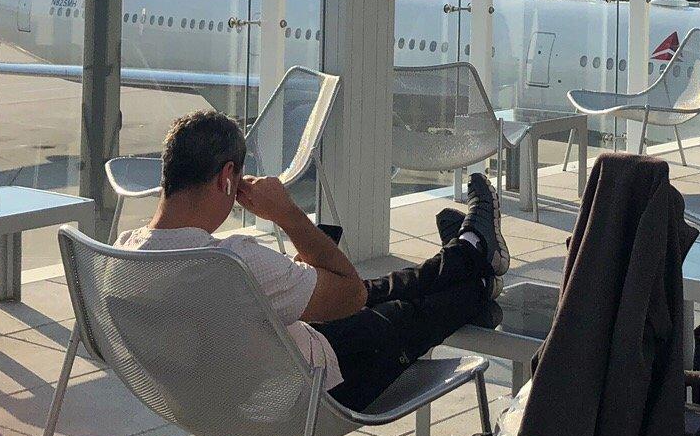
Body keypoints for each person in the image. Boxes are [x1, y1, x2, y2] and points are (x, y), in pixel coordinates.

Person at [119, 109, 509, 411]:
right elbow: (351, 294)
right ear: (227, 177)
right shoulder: (232, 262)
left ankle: (468, 251)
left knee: (379, 289)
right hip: (317, 389)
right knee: (410, 310)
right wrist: (287, 213)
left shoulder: (121, 256)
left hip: (225, 402)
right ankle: (475, 264)